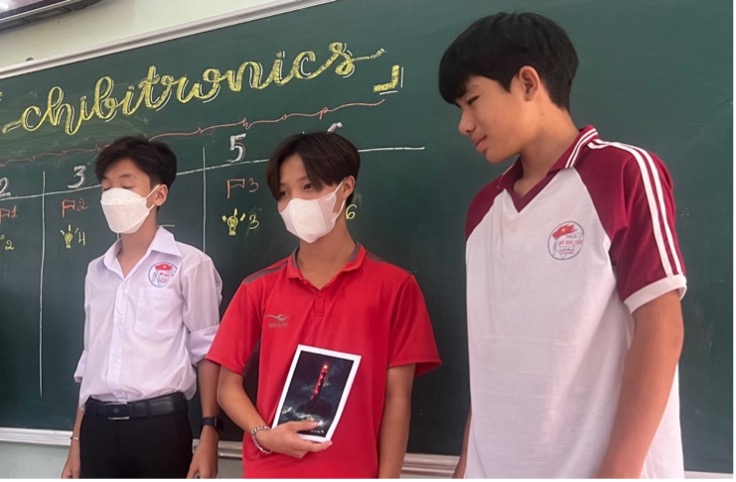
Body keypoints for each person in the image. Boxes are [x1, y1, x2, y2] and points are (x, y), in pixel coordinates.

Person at [438, 12, 686, 479]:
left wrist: (620, 470)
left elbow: (661, 327)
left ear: (528, 82)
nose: (464, 125)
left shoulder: (622, 172)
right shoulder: (482, 212)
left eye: (472, 100)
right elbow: (493, 361)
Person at [206, 131, 441, 478]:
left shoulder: (395, 287)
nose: (294, 202)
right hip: (269, 470)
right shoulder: (258, 288)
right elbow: (227, 385)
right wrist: (265, 435)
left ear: (345, 187)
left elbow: (398, 400)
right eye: (284, 193)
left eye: (309, 187)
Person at [61, 136, 223, 478]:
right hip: (98, 428)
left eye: (126, 184)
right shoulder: (96, 270)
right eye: (106, 187)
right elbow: (92, 357)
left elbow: (207, 351)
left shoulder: (190, 264)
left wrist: (209, 430)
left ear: (158, 194)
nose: (113, 195)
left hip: (159, 428)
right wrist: (76, 439)